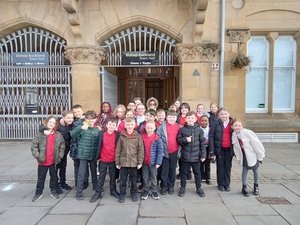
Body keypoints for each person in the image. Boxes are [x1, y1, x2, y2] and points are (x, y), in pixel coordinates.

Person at [31, 116, 65, 202]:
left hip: (53, 161)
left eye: (53, 123)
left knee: (54, 177)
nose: (51, 124)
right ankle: (38, 193)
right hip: (43, 161)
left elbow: (62, 145)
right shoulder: (40, 134)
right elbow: (34, 146)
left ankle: (53, 191)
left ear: (56, 125)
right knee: (41, 178)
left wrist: (60, 156)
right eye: (50, 122)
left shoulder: (58, 135)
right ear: (46, 122)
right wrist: (37, 155)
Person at [231, 119, 265, 197]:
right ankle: (244, 187)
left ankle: (256, 186)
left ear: (242, 126)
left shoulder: (248, 133)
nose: (237, 127)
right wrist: (238, 158)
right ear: (232, 127)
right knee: (245, 170)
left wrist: (260, 155)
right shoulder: (234, 135)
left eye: (239, 126)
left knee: (255, 170)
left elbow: (256, 144)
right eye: (235, 126)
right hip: (244, 156)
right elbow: (235, 147)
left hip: (252, 155)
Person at [90, 118, 120, 202]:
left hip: (113, 160)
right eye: (110, 124)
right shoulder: (101, 134)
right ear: (106, 125)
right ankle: (98, 192)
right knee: (101, 177)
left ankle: (113, 191)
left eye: (113, 125)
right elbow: (98, 145)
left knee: (113, 176)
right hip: (103, 159)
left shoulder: (118, 134)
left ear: (116, 126)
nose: (111, 126)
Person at [71, 110, 100, 200]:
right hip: (83, 155)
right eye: (88, 119)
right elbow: (73, 134)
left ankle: (95, 187)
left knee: (94, 173)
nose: (91, 121)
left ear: (95, 119)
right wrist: (80, 128)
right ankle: (79, 192)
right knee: (81, 174)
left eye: (93, 119)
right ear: (85, 119)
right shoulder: (82, 127)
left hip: (93, 154)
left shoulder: (97, 129)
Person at [177, 111, 206, 197]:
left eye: (192, 118)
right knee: (183, 173)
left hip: (196, 157)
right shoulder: (182, 129)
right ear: (185, 119)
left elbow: (202, 144)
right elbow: (178, 141)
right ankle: (182, 188)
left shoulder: (199, 130)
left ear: (196, 119)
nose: (190, 119)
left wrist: (203, 155)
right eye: (188, 118)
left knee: (197, 173)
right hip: (185, 156)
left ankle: (199, 188)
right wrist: (185, 140)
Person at [115, 117, 144, 203]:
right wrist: (117, 161)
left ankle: (133, 193)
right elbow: (118, 150)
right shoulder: (122, 136)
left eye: (131, 124)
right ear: (125, 125)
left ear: (135, 125)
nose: (130, 126)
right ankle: (122, 194)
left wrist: (140, 162)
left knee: (134, 180)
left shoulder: (138, 136)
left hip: (134, 163)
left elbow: (141, 149)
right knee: (123, 180)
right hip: (124, 162)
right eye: (128, 124)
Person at [156, 110, 181, 195]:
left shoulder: (179, 127)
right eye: (170, 117)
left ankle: (171, 186)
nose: (171, 118)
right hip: (164, 152)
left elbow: (181, 139)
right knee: (164, 171)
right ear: (166, 117)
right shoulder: (162, 127)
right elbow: (157, 138)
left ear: (176, 118)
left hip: (175, 152)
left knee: (172, 170)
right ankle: (164, 186)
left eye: (173, 117)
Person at [209, 107, 234, 192]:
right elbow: (211, 136)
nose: (224, 116)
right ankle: (220, 184)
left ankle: (227, 184)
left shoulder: (232, 124)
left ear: (229, 115)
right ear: (219, 115)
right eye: (222, 114)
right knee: (220, 167)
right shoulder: (216, 123)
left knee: (228, 167)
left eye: (225, 114)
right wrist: (212, 151)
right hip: (219, 149)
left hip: (229, 149)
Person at [141, 121, 163, 200]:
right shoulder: (142, 137)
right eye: (148, 128)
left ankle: (154, 190)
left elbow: (160, 151)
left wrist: (158, 162)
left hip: (153, 162)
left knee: (153, 177)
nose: (149, 129)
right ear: (145, 128)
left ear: (154, 128)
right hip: (144, 162)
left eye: (151, 128)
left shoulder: (157, 138)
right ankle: (146, 190)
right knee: (145, 177)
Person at [199, 115, 212, 184]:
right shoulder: (198, 129)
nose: (204, 122)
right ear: (200, 121)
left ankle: (207, 177)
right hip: (200, 148)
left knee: (207, 163)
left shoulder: (210, 129)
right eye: (202, 120)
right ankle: (200, 177)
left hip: (208, 148)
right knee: (200, 163)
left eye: (205, 121)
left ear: (208, 121)